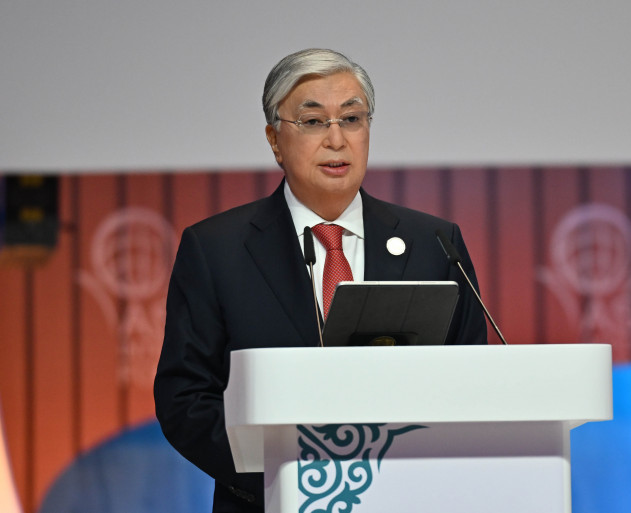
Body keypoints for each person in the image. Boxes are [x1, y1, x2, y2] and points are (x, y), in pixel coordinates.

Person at [154, 48, 488, 513]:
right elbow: (185, 398)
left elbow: (473, 382)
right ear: (275, 140)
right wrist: (287, 477)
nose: (336, 139)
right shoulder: (216, 250)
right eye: (313, 122)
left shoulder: (435, 243)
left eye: (351, 119)